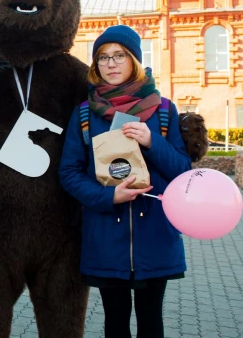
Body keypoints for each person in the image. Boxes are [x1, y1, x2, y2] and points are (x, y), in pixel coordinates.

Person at [59, 25, 191, 338]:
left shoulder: (163, 110)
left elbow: (183, 172)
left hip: (155, 236)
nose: (111, 63)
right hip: (105, 237)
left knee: (151, 323)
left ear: (133, 59)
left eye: (119, 55)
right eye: (103, 58)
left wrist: (151, 141)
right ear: (95, 66)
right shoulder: (84, 115)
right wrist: (107, 197)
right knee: (115, 324)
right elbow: (69, 172)